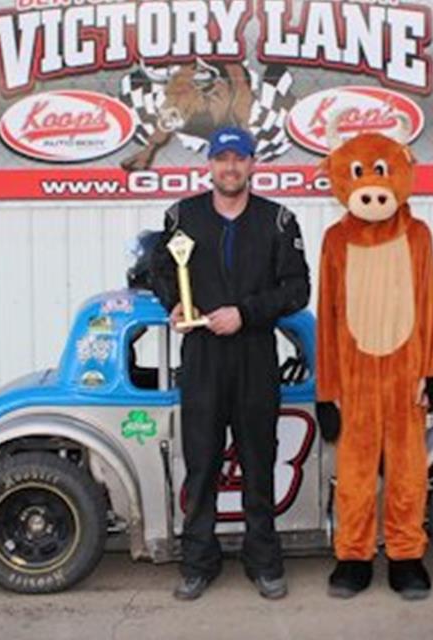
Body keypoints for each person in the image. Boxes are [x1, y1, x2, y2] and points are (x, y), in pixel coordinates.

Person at [151, 126, 311, 602]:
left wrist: (245, 314)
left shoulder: (278, 220)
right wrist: (171, 305)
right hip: (201, 357)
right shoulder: (182, 216)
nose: (230, 167)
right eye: (222, 159)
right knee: (201, 465)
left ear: (252, 164)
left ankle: (264, 561)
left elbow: (298, 289)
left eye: (238, 158)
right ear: (210, 165)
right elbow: (160, 271)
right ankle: (198, 562)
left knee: (258, 463)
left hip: (255, 353)